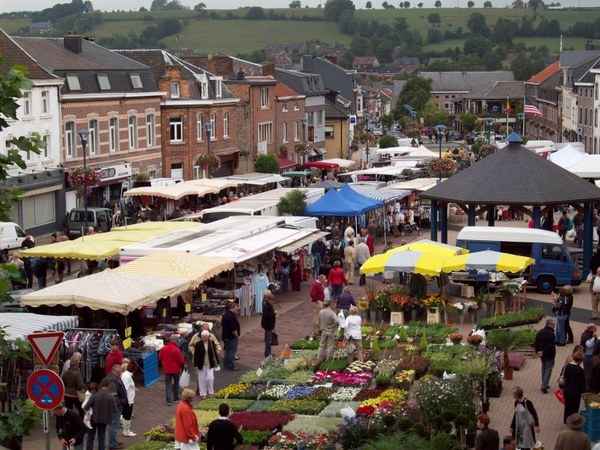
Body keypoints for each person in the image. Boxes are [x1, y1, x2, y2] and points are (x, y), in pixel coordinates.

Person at [102, 363, 128, 450]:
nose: (121, 374)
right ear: (116, 371)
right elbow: (113, 396)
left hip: (111, 406)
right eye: (120, 372)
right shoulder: (113, 381)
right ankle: (112, 445)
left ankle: (113, 442)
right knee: (113, 426)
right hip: (114, 407)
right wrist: (122, 402)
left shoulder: (109, 378)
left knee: (113, 425)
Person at [83, 379, 114, 450]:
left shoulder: (95, 395)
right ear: (108, 386)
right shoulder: (110, 396)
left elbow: (86, 407)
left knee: (90, 437)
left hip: (93, 419)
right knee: (102, 438)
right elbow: (114, 409)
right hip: (104, 420)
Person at [159, 335, 186, 405]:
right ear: (175, 341)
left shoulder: (163, 348)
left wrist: (164, 364)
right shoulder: (177, 349)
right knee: (176, 384)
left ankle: (169, 401)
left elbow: (160, 357)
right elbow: (181, 360)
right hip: (176, 370)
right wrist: (182, 366)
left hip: (167, 370)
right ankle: (175, 397)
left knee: (168, 384)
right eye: (177, 341)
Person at [193, 330, 220, 398]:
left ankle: (211, 392)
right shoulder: (198, 344)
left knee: (210, 378)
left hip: (210, 364)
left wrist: (217, 362)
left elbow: (215, 353)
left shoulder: (212, 343)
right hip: (201, 364)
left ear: (208, 337)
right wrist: (195, 365)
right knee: (202, 379)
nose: (204, 338)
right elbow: (196, 355)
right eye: (202, 336)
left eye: (205, 336)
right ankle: (203, 394)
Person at [563, 347, 586, 423]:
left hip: (567, 390)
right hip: (576, 392)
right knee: (574, 408)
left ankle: (566, 420)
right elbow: (582, 383)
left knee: (567, 406)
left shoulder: (568, 366)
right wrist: (584, 393)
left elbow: (565, 378)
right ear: (580, 361)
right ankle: (573, 421)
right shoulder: (580, 370)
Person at [534, 318, 556, 393]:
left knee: (543, 368)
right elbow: (550, 346)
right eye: (553, 325)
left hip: (542, 354)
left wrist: (538, 351)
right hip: (549, 354)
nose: (554, 326)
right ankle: (544, 386)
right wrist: (543, 351)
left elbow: (536, 342)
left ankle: (544, 383)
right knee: (548, 370)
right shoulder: (551, 334)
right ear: (549, 325)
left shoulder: (540, 332)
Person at [317, 298, 339, 364]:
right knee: (330, 346)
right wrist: (333, 326)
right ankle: (328, 359)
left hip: (323, 331)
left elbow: (318, 321)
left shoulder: (321, 312)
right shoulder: (332, 313)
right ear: (330, 304)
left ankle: (320, 358)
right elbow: (337, 321)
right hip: (331, 331)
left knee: (322, 345)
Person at [222, 301, 241, 371]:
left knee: (227, 350)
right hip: (231, 337)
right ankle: (231, 365)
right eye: (236, 308)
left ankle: (226, 363)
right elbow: (233, 329)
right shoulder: (231, 316)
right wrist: (237, 336)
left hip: (225, 336)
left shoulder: (225, 315)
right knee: (232, 351)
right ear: (232, 308)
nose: (237, 309)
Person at [120, 358, 136, 437]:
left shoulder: (125, 375)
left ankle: (126, 430)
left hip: (128, 399)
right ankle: (126, 431)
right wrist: (127, 401)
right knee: (127, 416)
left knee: (126, 415)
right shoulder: (127, 376)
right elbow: (125, 389)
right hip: (128, 400)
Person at [580, 325, 598, 390]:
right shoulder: (587, 336)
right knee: (588, 373)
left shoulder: (586, 334)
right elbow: (588, 345)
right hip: (588, 356)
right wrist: (594, 338)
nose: (596, 329)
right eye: (594, 328)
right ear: (591, 329)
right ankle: (586, 387)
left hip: (587, 355)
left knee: (587, 372)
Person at [261, 292, 276, 359]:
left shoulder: (267, 305)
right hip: (268, 325)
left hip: (268, 324)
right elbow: (267, 315)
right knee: (268, 340)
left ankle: (268, 353)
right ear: (269, 300)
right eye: (272, 300)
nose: (273, 302)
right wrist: (274, 313)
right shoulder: (267, 306)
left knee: (268, 339)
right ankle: (267, 354)